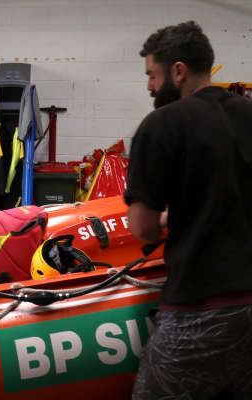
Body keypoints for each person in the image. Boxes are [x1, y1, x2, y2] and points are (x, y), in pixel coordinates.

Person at [125, 21, 252, 399]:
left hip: (201, 310)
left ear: (177, 71)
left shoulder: (161, 125)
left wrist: (166, 218)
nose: (149, 86)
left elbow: (143, 229)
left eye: (152, 75)